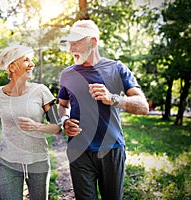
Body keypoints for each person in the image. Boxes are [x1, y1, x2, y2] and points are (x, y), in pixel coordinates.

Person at [57, 20, 149, 200]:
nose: (71, 49)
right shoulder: (67, 74)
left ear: (93, 42)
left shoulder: (117, 69)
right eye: (70, 43)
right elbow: (62, 106)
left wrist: (112, 99)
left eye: (76, 42)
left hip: (111, 148)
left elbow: (143, 106)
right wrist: (64, 121)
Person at [0, 44, 61, 200]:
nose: (32, 64)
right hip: (8, 161)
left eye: (32, 60)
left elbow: (58, 127)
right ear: (12, 67)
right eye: (26, 60)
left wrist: (37, 126)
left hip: (38, 161)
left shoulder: (41, 91)